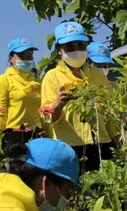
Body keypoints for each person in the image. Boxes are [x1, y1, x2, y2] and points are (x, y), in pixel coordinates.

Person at [41, 21, 119, 173]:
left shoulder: (97, 75)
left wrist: (115, 138)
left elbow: (109, 110)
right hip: (70, 145)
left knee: (105, 188)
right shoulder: (52, 77)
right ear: (59, 50)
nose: (76, 50)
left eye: (81, 45)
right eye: (70, 47)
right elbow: (47, 117)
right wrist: (58, 104)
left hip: (101, 141)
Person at [0, 38, 43, 157]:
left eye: (30, 55)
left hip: (35, 135)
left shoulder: (35, 81)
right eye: (22, 55)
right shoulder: (4, 80)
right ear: (11, 58)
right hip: (13, 136)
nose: (27, 58)